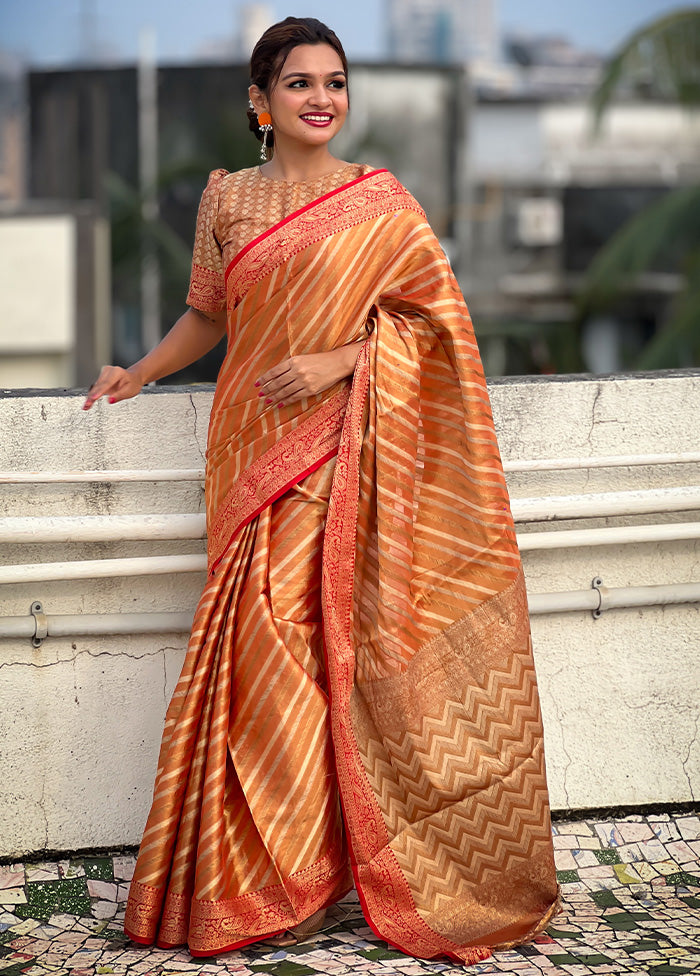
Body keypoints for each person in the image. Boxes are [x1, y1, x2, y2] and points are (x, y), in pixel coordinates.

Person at [83, 16, 559, 965]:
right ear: (260, 102)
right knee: (258, 668)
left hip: (341, 457)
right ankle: (267, 874)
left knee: (296, 657)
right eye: (299, 84)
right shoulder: (226, 201)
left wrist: (343, 359)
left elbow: (437, 325)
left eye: (334, 83)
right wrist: (139, 371)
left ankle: (309, 879)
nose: (320, 100)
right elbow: (208, 315)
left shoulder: (380, 203)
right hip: (245, 452)